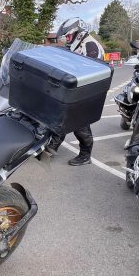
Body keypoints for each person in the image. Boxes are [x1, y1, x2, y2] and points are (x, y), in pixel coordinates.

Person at [50, 18, 105, 166]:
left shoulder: (90, 45)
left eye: (68, 36)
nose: (67, 40)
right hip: (77, 91)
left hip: (87, 92)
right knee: (62, 119)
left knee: (80, 125)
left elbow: (92, 71)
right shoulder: (80, 45)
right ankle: (50, 148)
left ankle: (85, 156)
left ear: (78, 33)